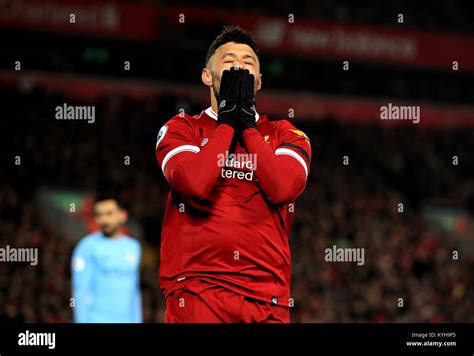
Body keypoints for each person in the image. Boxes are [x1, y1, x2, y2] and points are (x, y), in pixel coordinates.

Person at [155, 26, 311, 323]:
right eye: (228, 61)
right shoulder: (182, 128)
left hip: (268, 297)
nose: (239, 66)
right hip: (199, 289)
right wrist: (227, 123)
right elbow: (194, 183)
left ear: (260, 81)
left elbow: (282, 188)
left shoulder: (285, 133)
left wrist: (247, 126)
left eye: (248, 63)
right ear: (206, 75)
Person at [71, 196, 142, 323]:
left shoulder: (133, 247)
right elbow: (81, 291)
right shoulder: (86, 247)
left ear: (122, 215)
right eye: (99, 215)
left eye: (109, 213)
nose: (103, 219)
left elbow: (134, 292)